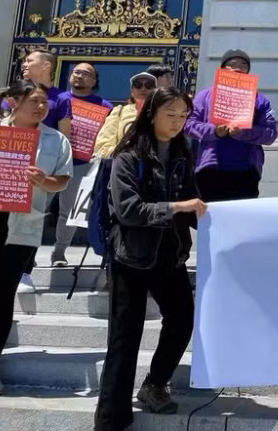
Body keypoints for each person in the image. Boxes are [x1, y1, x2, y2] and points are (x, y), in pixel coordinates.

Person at [93, 87, 206, 430]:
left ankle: (155, 384)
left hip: (170, 256)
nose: (177, 122)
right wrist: (176, 207)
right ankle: (111, 418)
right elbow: (128, 210)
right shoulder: (128, 155)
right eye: (170, 115)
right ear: (151, 114)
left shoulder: (184, 151)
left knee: (183, 320)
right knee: (124, 338)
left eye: (183, 116)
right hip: (131, 257)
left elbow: (193, 200)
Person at [0, 80, 73, 397]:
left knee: (0, 294)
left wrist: (44, 180)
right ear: (13, 102)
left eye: (44, 103)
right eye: (34, 101)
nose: (40, 107)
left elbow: (62, 181)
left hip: (22, 228)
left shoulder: (56, 140)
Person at [184, 49, 278, 202]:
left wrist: (243, 132)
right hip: (210, 170)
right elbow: (188, 124)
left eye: (243, 65)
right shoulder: (204, 96)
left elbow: (270, 134)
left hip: (246, 171)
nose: (238, 69)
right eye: (232, 64)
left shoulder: (260, 100)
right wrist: (214, 131)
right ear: (222, 69)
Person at [47, 63, 112, 267]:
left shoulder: (105, 106)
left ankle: (59, 252)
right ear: (69, 76)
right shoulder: (58, 100)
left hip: (82, 163)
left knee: (70, 210)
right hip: (51, 161)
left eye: (86, 74)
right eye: (76, 72)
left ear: (94, 81)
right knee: (37, 208)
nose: (80, 76)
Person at [14, 49, 64, 293]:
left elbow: (64, 132)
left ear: (46, 66)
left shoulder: (62, 98)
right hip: (12, 162)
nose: (24, 64)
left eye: (29, 60)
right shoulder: (14, 92)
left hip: (44, 165)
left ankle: (25, 270)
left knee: (34, 217)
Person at [94, 72, 157, 158]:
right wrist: (125, 157)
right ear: (132, 91)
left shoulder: (163, 113)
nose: (143, 88)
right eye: (138, 85)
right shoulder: (119, 112)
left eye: (149, 85)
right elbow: (102, 146)